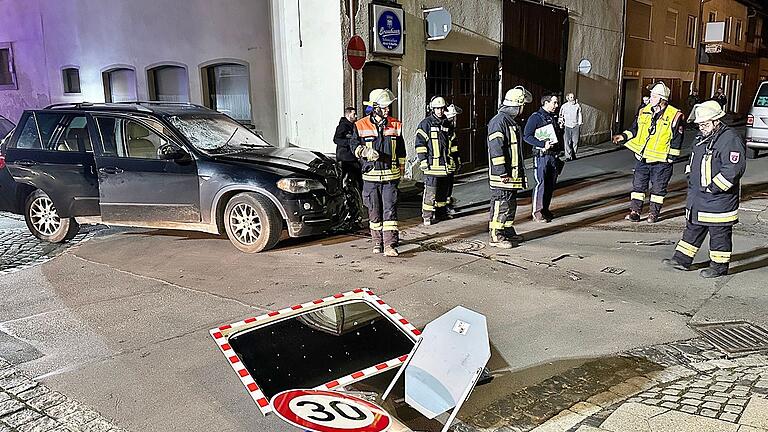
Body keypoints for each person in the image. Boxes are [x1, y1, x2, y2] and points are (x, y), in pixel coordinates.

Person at [662, 100, 746, 278]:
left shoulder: (729, 139)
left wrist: (713, 188)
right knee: (693, 228)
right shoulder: (704, 136)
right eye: (700, 124)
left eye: (705, 124)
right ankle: (681, 259)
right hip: (699, 197)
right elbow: (695, 161)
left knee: (719, 234)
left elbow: (733, 169)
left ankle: (718, 267)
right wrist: (690, 176)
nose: (701, 127)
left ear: (717, 121)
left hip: (718, 199)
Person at [612, 82, 684, 223]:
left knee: (658, 190)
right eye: (651, 95)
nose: (651, 98)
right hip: (642, 158)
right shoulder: (643, 110)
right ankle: (635, 212)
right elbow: (635, 129)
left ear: (663, 99)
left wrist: (670, 158)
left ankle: (653, 213)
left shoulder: (675, 115)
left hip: (661, 161)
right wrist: (623, 136)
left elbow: (677, 139)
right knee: (638, 187)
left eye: (654, 95)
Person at [350, 89, 406, 257]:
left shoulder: (395, 124)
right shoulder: (360, 125)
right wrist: (363, 152)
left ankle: (389, 244)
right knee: (374, 211)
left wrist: (401, 169)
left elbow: (401, 150)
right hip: (371, 177)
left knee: (390, 211)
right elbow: (352, 145)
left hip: (390, 177)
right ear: (375, 107)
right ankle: (377, 242)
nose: (388, 110)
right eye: (384, 107)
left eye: (389, 106)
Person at [487, 86, 532, 248]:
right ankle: (495, 235)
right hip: (503, 175)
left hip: (511, 174)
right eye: (522, 105)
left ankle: (506, 230)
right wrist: (501, 172)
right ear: (516, 105)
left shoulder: (510, 122)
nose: (523, 109)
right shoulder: (499, 122)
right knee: (501, 203)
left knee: (510, 204)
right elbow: (496, 149)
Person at [416, 96, 456, 226]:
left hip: (445, 166)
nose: (439, 111)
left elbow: (453, 144)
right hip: (432, 167)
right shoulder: (426, 124)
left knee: (443, 193)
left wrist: (456, 160)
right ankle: (427, 216)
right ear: (432, 109)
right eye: (437, 108)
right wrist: (423, 161)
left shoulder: (446, 124)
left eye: (441, 108)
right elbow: (420, 144)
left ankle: (441, 214)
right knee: (430, 193)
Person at [524, 94, 562, 222]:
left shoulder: (553, 117)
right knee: (541, 184)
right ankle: (537, 212)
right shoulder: (535, 118)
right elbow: (527, 136)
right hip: (542, 156)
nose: (556, 106)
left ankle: (545, 209)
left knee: (550, 185)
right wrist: (542, 144)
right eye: (554, 103)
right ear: (546, 103)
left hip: (553, 156)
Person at [333, 107, 361, 189]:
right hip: (345, 157)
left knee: (357, 177)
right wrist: (349, 143)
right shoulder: (343, 126)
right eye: (354, 114)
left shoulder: (354, 126)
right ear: (348, 115)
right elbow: (336, 139)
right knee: (344, 178)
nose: (356, 116)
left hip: (353, 157)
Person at [444, 104, 463, 213]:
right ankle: (443, 208)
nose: (454, 120)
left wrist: (457, 162)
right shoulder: (445, 129)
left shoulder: (451, 130)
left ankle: (447, 205)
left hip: (450, 163)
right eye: (452, 118)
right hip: (443, 163)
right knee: (444, 187)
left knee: (449, 186)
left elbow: (454, 149)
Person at [559, 92, 583, 161]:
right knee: (567, 141)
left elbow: (580, 114)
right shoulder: (564, 106)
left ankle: (573, 154)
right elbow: (561, 115)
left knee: (575, 141)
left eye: (573, 97)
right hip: (567, 125)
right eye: (571, 97)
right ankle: (568, 156)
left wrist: (579, 123)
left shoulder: (577, 106)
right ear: (568, 98)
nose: (572, 98)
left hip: (575, 125)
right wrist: (561, 123)